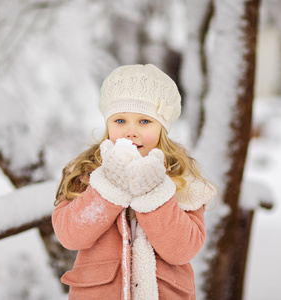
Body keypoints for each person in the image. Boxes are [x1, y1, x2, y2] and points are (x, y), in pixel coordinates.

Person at [52, 64, 216, 300]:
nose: (131, 131)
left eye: (144, 121)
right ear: (107, 124)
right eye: (120, 121)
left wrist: (154, 192)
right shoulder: (87, 174)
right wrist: (109, 185)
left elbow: (181, 250)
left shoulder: (182, 180)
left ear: (163, 128)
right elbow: (71, 235)